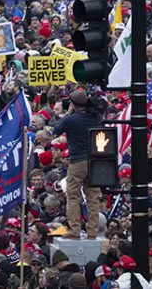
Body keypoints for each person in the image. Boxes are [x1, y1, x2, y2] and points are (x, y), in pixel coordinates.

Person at [52, 89, 104, 239]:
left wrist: (69, 112)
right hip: (94, 161)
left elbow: (56, 129)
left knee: (73, 196)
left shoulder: (71, 119)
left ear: (73, 104)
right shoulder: (96, 117)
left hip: (77, 161)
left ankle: (74, 230)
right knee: (93, 197)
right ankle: (92, 232)